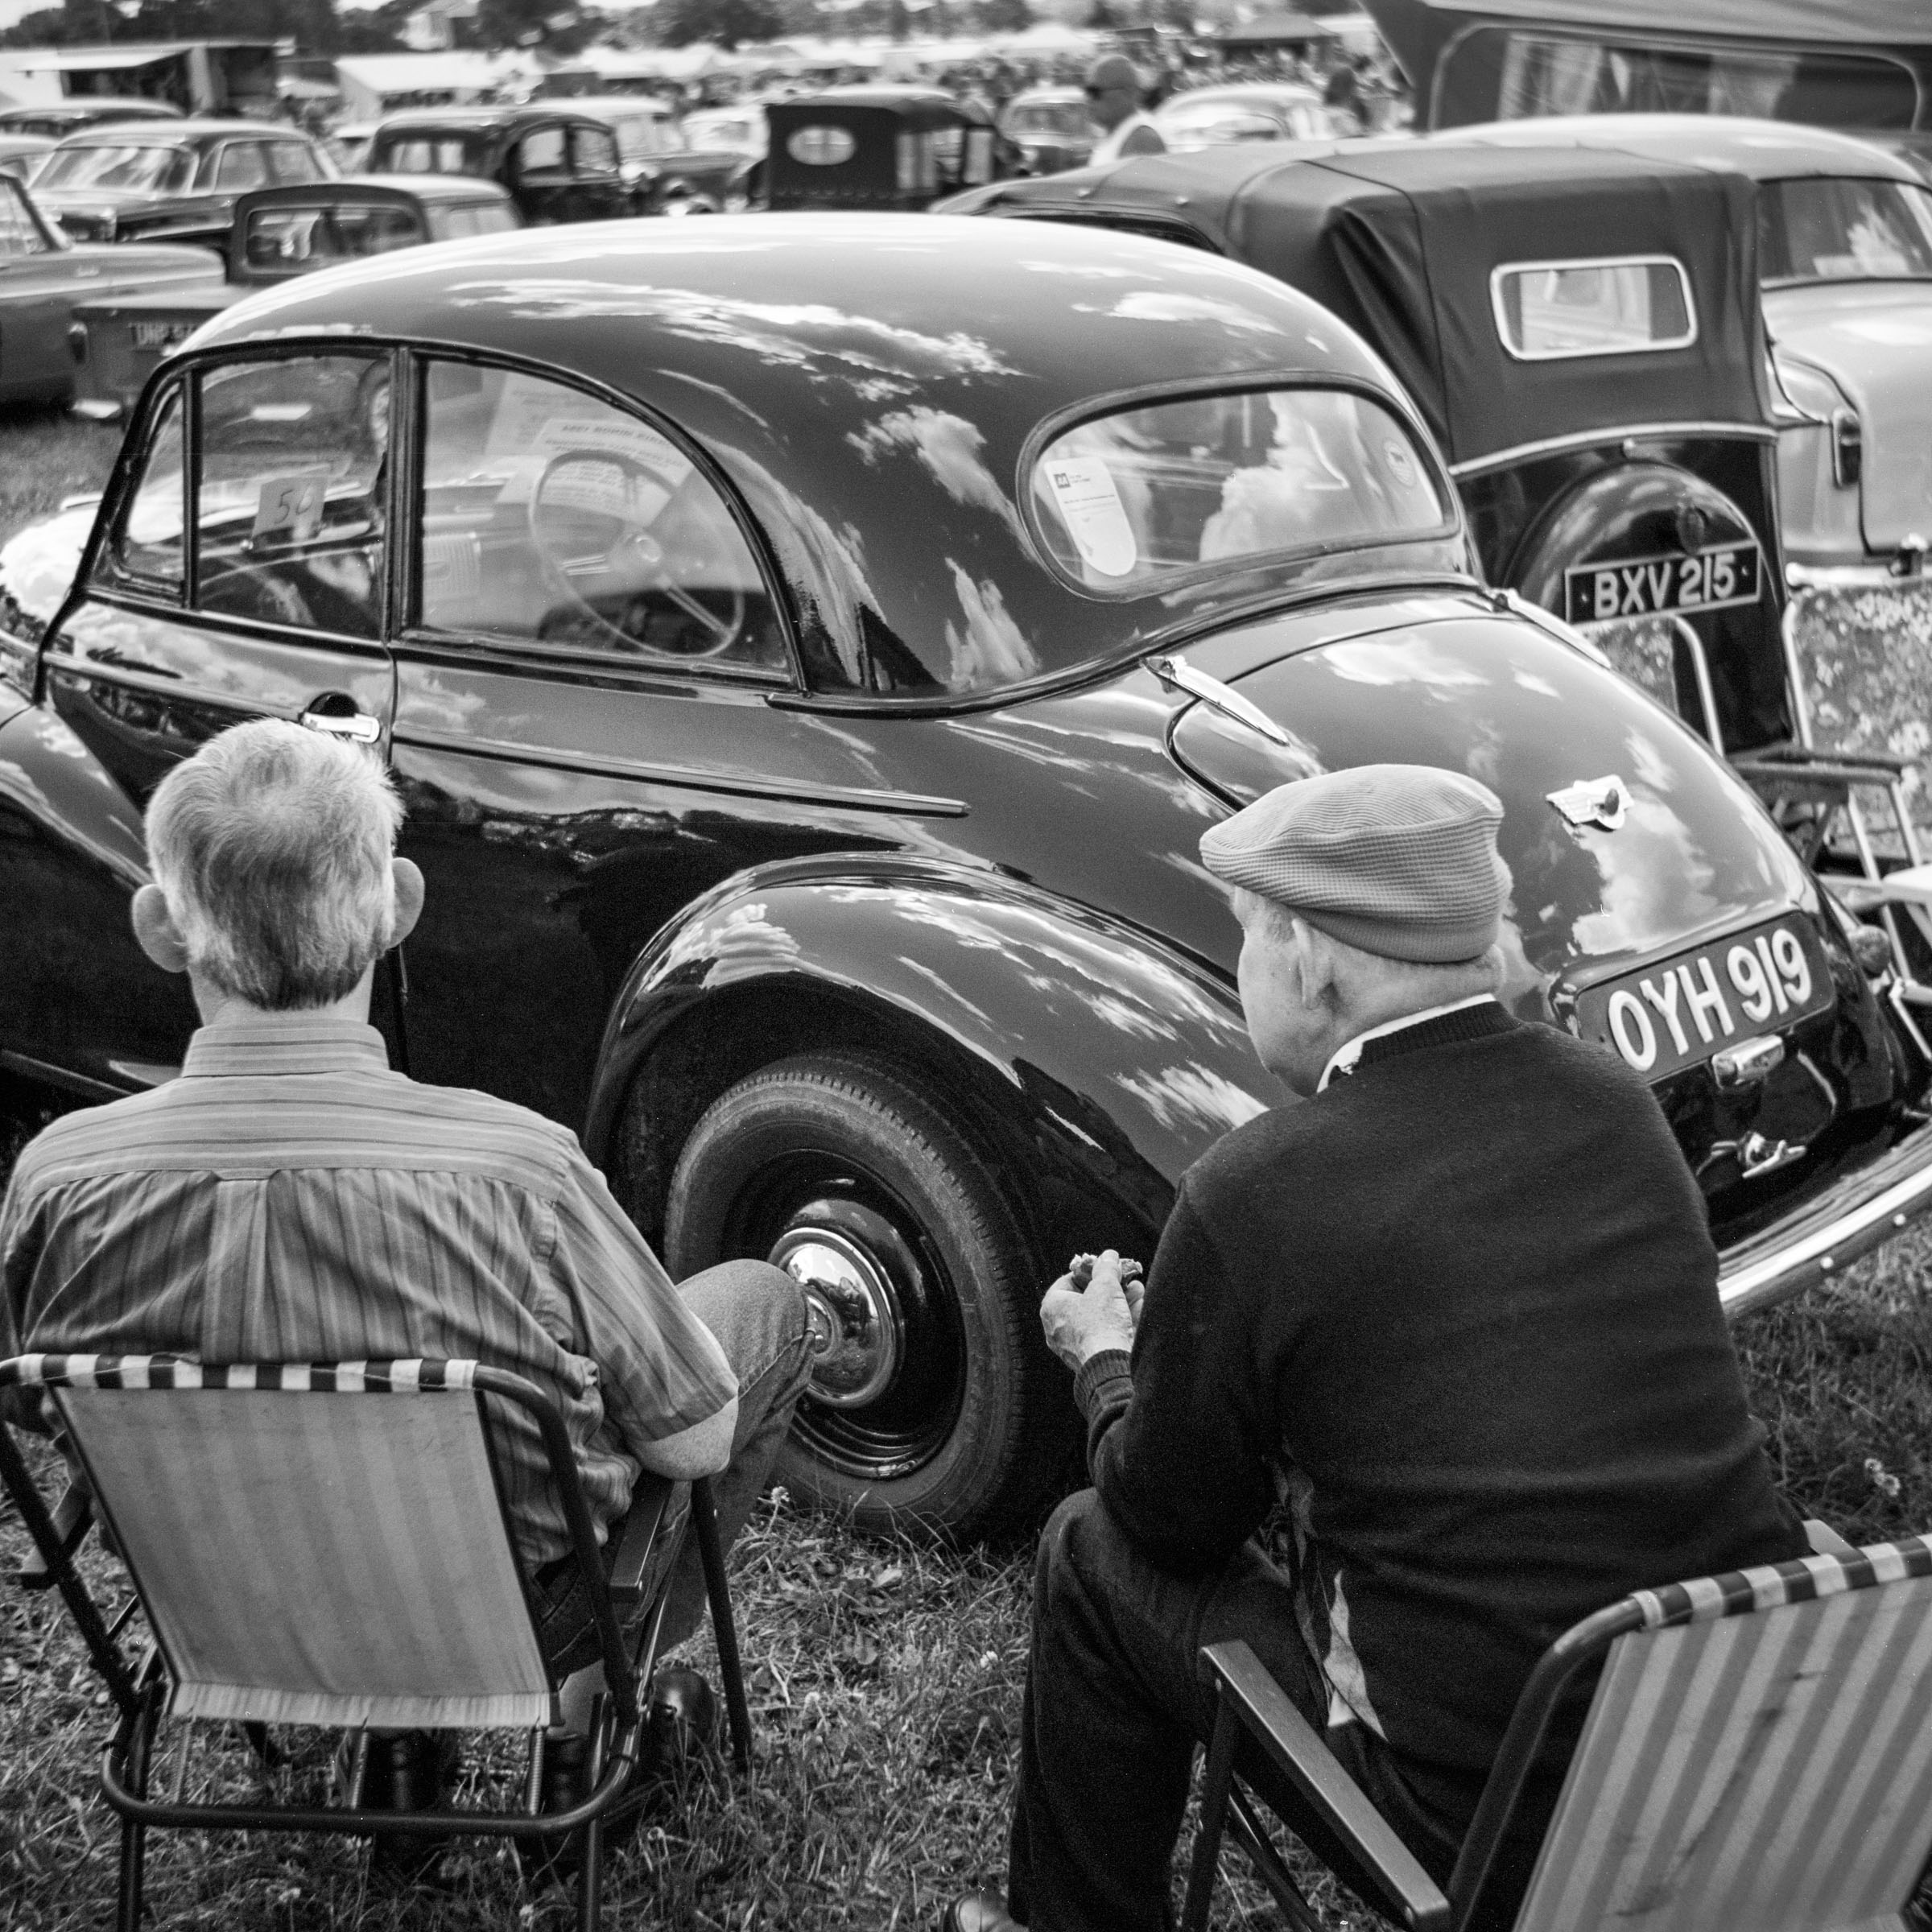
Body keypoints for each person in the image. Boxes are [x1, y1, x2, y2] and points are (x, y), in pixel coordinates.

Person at [946, 764, 1808, 1932]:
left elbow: (1169, 1520)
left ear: (1308, 958)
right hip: (1747, 1758)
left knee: (1089, 1552)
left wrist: (1106, 1362)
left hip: (1484, 1837)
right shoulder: (1615, 1102)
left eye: (1245, 935)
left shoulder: (1258, 1191)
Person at [0, 718, 814, 1870]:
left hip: (227, 1613)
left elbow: (42, 1406)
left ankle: (398, 1746)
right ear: (399, 907)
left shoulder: (56, 1183)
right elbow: (694, 1440)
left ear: (159, 928)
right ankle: (586, 1728)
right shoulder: (519, 1175)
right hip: (516, 1616)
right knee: (759, 1307)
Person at [1082, 52, 1165, 164]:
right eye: (1088, 92)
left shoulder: (1142, 139)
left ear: (1128, 92)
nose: (1089, 99)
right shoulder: (1116, 135)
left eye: (1095, 92)